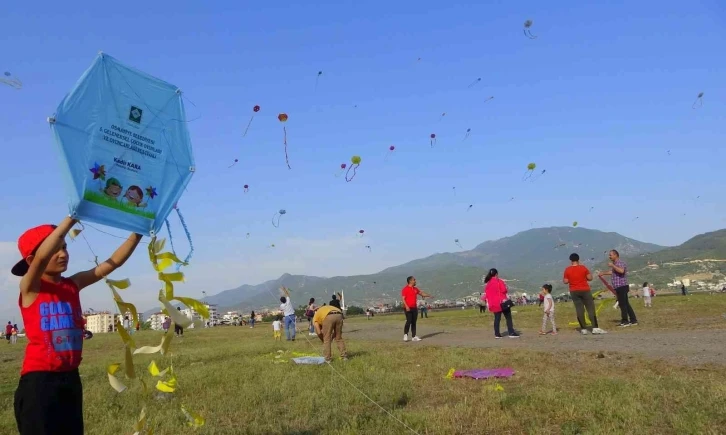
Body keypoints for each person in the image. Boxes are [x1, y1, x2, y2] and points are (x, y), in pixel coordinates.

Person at [11, 218, 141, 434]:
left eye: (64, 247)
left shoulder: (73, 284)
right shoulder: (31, 287)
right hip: (39, 384)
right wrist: (71, 219)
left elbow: (113, 262)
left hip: (70, 378)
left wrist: (138, 231)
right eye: (55, 249)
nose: (63, 254)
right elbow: (42, 256)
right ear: (33, 259)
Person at [564, 253, 607, 335]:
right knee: (590, 308)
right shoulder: (583, 268)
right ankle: (595, 328)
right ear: (578, 260)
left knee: (579, 309)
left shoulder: (567, 269)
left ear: (571, 260)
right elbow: (590, 278)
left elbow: (565, 281)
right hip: (585, 290)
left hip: (574, 291)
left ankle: (583, 328)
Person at [599, 250, 637, 327]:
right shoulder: (615, 264)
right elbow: (613, 272)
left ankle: (625, 321)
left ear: (616, 255)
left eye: (611, 255)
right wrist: (603, 273)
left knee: (622, 304)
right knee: (626, 304)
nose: (609, 257)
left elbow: (621, 271)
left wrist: (613, 266)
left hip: (622, 286)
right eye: (609, 255)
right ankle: (633, 320)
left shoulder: (620, 263)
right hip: (618, 287)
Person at [483, 268, 519, 338]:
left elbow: (486, 295)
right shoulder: (499, 281)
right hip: (502, 303)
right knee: (508, 317)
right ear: (496, 274)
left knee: (497, 319)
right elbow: (504, 290)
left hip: (493, 304)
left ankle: (497, 334)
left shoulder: (488, 284)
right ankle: (511, 332)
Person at [401, 276, 431, 342]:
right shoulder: (405, 289)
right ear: (410, 281)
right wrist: (406, 306)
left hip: (414, 307)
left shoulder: (415, 289)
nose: (415, 281)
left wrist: (429, 295)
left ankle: (414, 337)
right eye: (414, 280)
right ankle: (405, 334)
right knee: (408, 321)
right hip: (407, 308)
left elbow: (421, 293)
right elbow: (403, 299)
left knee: (414, 322)